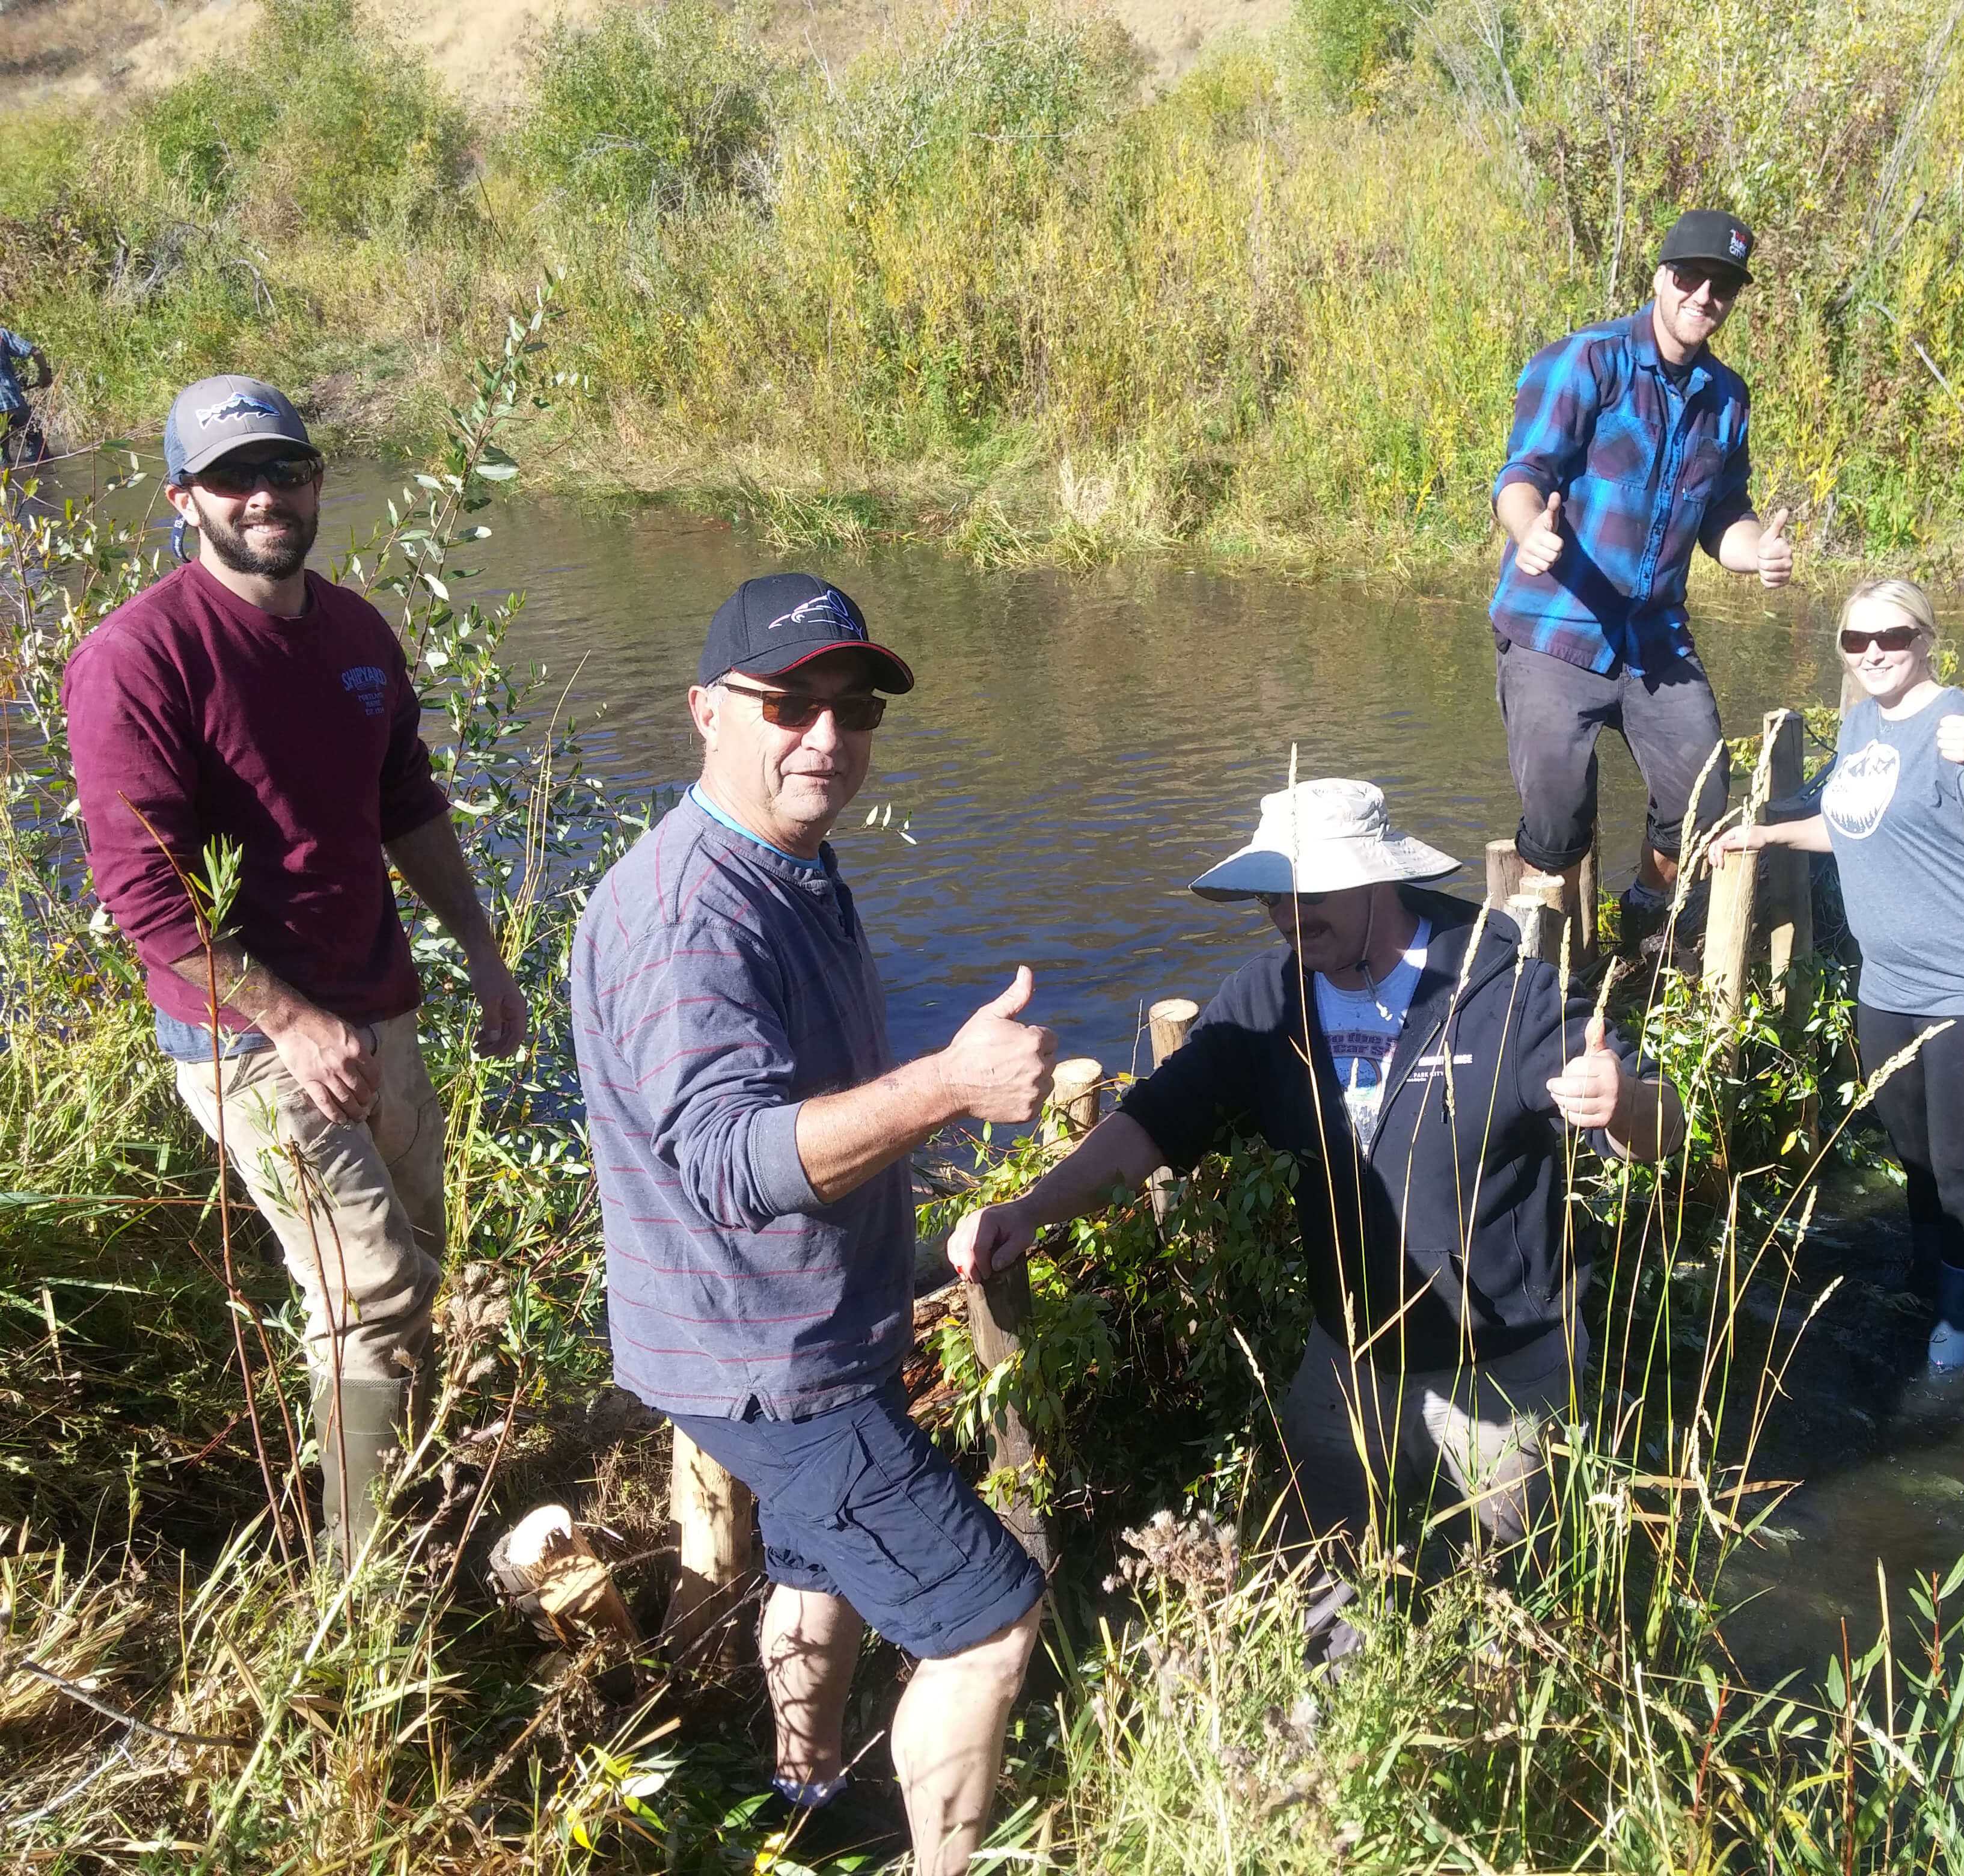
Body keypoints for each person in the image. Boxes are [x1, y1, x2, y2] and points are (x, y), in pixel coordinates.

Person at [570, 574, 1057, 1875]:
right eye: (788, 702)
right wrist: (952, 1088)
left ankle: (803, 1801)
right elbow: (732, 1161)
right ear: (705, 711)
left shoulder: (785, 862)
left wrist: (905, 1254)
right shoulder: (690, 915)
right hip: (764, 1356)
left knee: (815, 1561)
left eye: (853, 711)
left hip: (786, 1326)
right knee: (986, 1624)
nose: (826, 738)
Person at [947, 778, 1681, 1612]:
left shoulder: (1505, 991)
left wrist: (1623, 1102)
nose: (1290, 917)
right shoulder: (1268, 1001)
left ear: (1379, 878)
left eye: (1312, 895)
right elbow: (1148, 1128)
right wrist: (1027, 1210)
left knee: (1509, 1610)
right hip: (1345, 1362)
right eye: (1273, 897)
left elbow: (1667, 1129)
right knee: (1325, 1595)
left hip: (1503, 1381)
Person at [63, 375, 526, 1558]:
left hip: (381, 1000)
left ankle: (434, 1491)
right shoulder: (138, 658)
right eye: (232, 478)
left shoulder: (358, 631)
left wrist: (483, 957)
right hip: (248, 1037)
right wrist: (293, 1024)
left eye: (285, 470)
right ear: (184, 499)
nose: (264, 496)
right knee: (368, 1290)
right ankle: (359, 1577)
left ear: (318, 480)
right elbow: (144, 895)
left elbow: (404, 802)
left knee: (421, 1258)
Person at [1709, 579, 1964, 1372]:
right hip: (1890, 988)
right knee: (1916, 1156)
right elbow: (1856, 821)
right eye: (1855, 642)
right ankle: (1931, 1288)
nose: (1873, 654)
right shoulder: (1862, 722)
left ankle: (1953, 1357)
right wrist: (1769, 836)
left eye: (1891, 637)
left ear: (1925, 638)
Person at [1488, 207, 1797, 963]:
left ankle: (1645, 915)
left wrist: (1754, 552)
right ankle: (1539, 963)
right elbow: (1521, 474)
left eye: (1721, 286)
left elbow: (1724, 514)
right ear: (1661, 277)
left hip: (1654, 636)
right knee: (1559, 817)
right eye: (1689, 277)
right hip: (1555, 625)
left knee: (1703, 797)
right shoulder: (1586, 361)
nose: (1703, 296)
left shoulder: (1727, 399)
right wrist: (1529, 529)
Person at [1, 326, 52, 465]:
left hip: (9, 399)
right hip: (12, 401)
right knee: (33, 434)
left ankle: (7, 481)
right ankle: (40, 470)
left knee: (1, 454)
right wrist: (44, 374)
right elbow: (36, 352)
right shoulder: (2, 334)